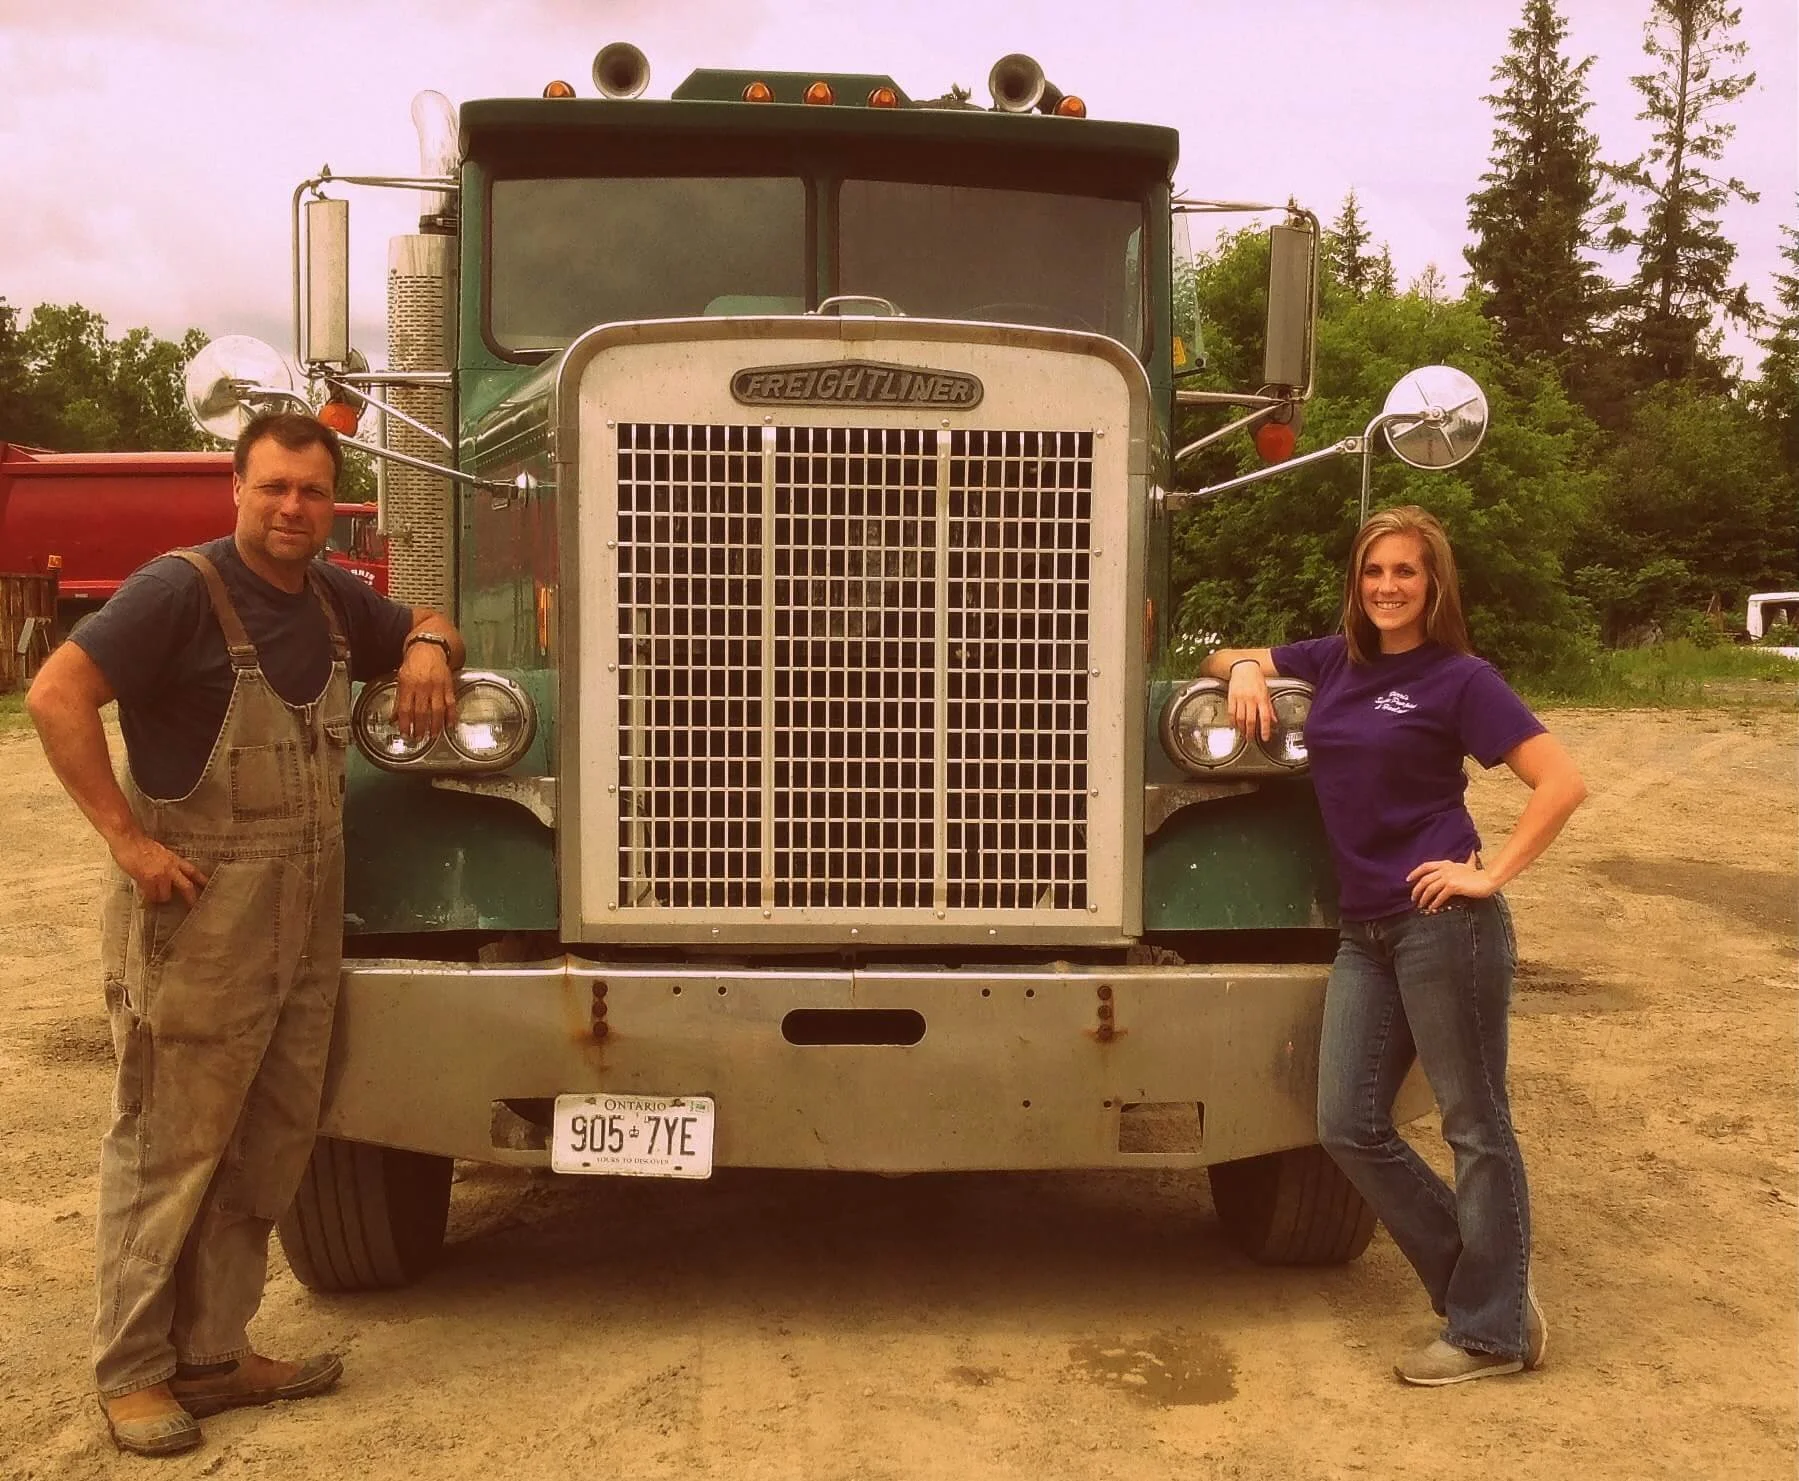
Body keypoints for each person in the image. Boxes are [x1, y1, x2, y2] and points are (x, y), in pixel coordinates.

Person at [27, 412, 466, 1455]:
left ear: (330, 503)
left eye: (312, 492)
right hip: (201, 926)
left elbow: (434, 612)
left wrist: (426, 643)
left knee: (267, 1148)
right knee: (168, 1149)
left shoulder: (327, 599)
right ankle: (134, 1371)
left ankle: (215, 1352)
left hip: (302, 933)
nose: (292, 508)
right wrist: (128, 843)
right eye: (273, 487)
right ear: (235, 485)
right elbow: (55, 693)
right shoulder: (180, 590)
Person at [1201, 504, 1585, 1387]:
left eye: (1405, 572)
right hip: (1363, 931)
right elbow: (1216, 656)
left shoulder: (1460, 679)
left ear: (1433, 583)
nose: (1386, 587)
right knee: (1344, 1121)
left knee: (1474, 1124)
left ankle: (1487, 1332)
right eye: (1373, 572)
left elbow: (1561, 781)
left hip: (1440, 925)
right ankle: (1490, 1290)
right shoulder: (1334, 660)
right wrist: (1249, 670)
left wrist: (1488, 875)